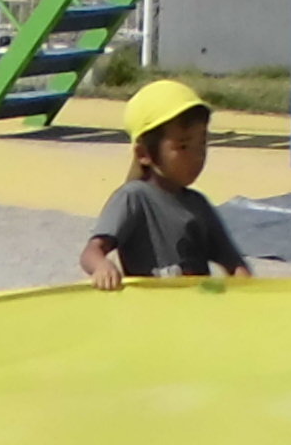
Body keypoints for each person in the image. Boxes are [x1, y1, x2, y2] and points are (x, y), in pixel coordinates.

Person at [83, 78, 252, 290]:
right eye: (183, 146)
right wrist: (102, 267)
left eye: (202, 144)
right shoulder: (134, 198)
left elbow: (234, 264)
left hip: (196, 312)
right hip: (151, 315)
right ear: (144, 154)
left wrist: (246, 289)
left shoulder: (198, 205)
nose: (196, 156)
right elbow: (92, 251)